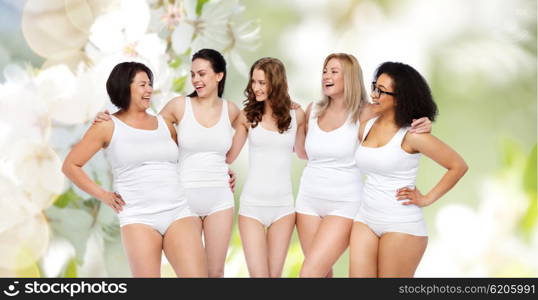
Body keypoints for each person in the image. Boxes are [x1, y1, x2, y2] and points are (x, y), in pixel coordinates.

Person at [94, 49, 239, 278]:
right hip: (183, 196)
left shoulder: (231, 109)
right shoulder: (178, 106)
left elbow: (244, 132)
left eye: (201, 74)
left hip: (219, 197)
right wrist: (110, 118)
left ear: (219, 75)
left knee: (215, 272)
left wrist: (227, 166)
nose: (196, 80)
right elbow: (146, 132)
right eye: (193, 75)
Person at [62, 62, 207, 277]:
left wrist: (221, 172)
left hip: (178, 211)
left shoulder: (165, 124)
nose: (149, 89)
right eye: (142, 84)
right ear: (124, 87)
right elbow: (70, 165)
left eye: (150, 84)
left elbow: (188, 161)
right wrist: (104, 195)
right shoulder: (107, 125)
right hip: (139, 218)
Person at [296, 53, 432, 277]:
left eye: (334, 71)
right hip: (307, 201)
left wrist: (424, 120)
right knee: (321, 274)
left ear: (349, 77)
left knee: (308, 274)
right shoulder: (312, 110)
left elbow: (403, 110)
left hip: (344, 203)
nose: (326, 76)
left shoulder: (367, 111)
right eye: (324, 71)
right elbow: (301, 152)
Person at [349, 61, 468, 277]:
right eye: (375, 86)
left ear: (399, 99)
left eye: (381, 91)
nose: (374, 94)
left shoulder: (413, 135)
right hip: (365, 218)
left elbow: (458, 166)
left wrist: (427, 198)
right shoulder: (366, 123)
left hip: (401, 224)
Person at [226, 57, 306, 277]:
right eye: (253, 82)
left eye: (262, 83)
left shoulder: (296, 115)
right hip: (252, 207)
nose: (256, 88)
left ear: (276, 83)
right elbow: (230, 156)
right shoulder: (248, 116)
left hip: (283, 208)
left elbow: (303, 152)